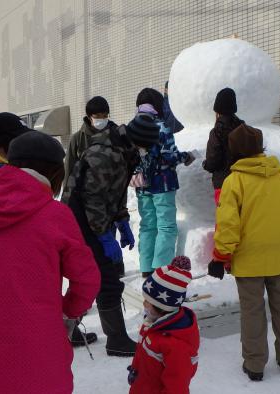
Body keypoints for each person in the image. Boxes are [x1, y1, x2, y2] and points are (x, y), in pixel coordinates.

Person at [0, 130, 102, 394]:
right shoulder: (55, 215)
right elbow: (87, 280)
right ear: (54, 173)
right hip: (38, 354)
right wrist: (67, 311)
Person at [208, 125, 280, 381]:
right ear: (260, 148)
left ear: (234, 151)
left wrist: (220, 256)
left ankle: (255, 366)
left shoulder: (234, 182)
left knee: (253, 313)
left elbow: (228, 225)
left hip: (248, 263)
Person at [64, 112, 161, 357]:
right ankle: (116, 339)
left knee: (89, 275)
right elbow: (93, 199)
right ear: (138, 142)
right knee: (105, 277)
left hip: (92, 218)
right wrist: (103, 235)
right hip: (80, 219)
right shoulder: (105, 154)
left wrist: (122, 220)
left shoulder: (122, 150)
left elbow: (113, 192)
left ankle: (68, 330)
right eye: (145, 148)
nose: (145, 153)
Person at [133, 88, 195, 277]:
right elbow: (169, 156)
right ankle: (161, 268)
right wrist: (186, 156)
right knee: (166, 226)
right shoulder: (161, 126)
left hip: (141, 184)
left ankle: (146, 267)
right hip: (163, 183)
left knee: (147, 225)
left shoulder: (131, 127)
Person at [127, 256, 200, 393]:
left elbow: (177, 387)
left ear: (162, 306)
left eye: (147, 301)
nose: (144, 304)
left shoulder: (175, 345)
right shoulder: (152, 323)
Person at [62, 96, 120, 200]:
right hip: (87, 196)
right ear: (89, 117)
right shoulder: (78, 139)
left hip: (113, 196)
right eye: (97, 116)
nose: (102, 119)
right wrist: (67, 198)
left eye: (105, 116)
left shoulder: (116, 135)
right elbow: (69, 169)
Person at [202, 87, 245, 203]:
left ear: (217, 110)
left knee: (225, 217)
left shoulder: (217, 131)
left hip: (223, 183)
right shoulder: (243, 129)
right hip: (244, 181)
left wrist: (206, 165)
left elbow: (213, 160)